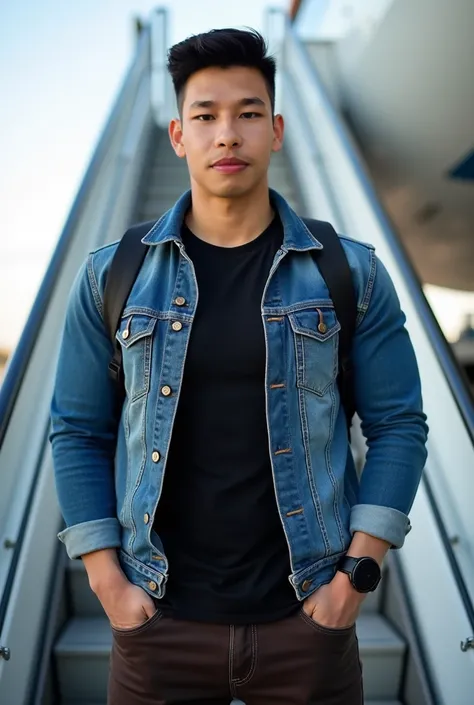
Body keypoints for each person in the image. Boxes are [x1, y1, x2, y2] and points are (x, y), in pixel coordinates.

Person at [50, 27, 428, 705]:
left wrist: (354, 580)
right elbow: (76, 429)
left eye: (249, 113)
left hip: (306, 618)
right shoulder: (113, 275)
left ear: (277, 129)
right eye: (206, 116)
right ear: (177, 135)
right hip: (157, 622)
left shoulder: (351, 271)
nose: (228, 134)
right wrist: (108, 582)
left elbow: (400, 422)